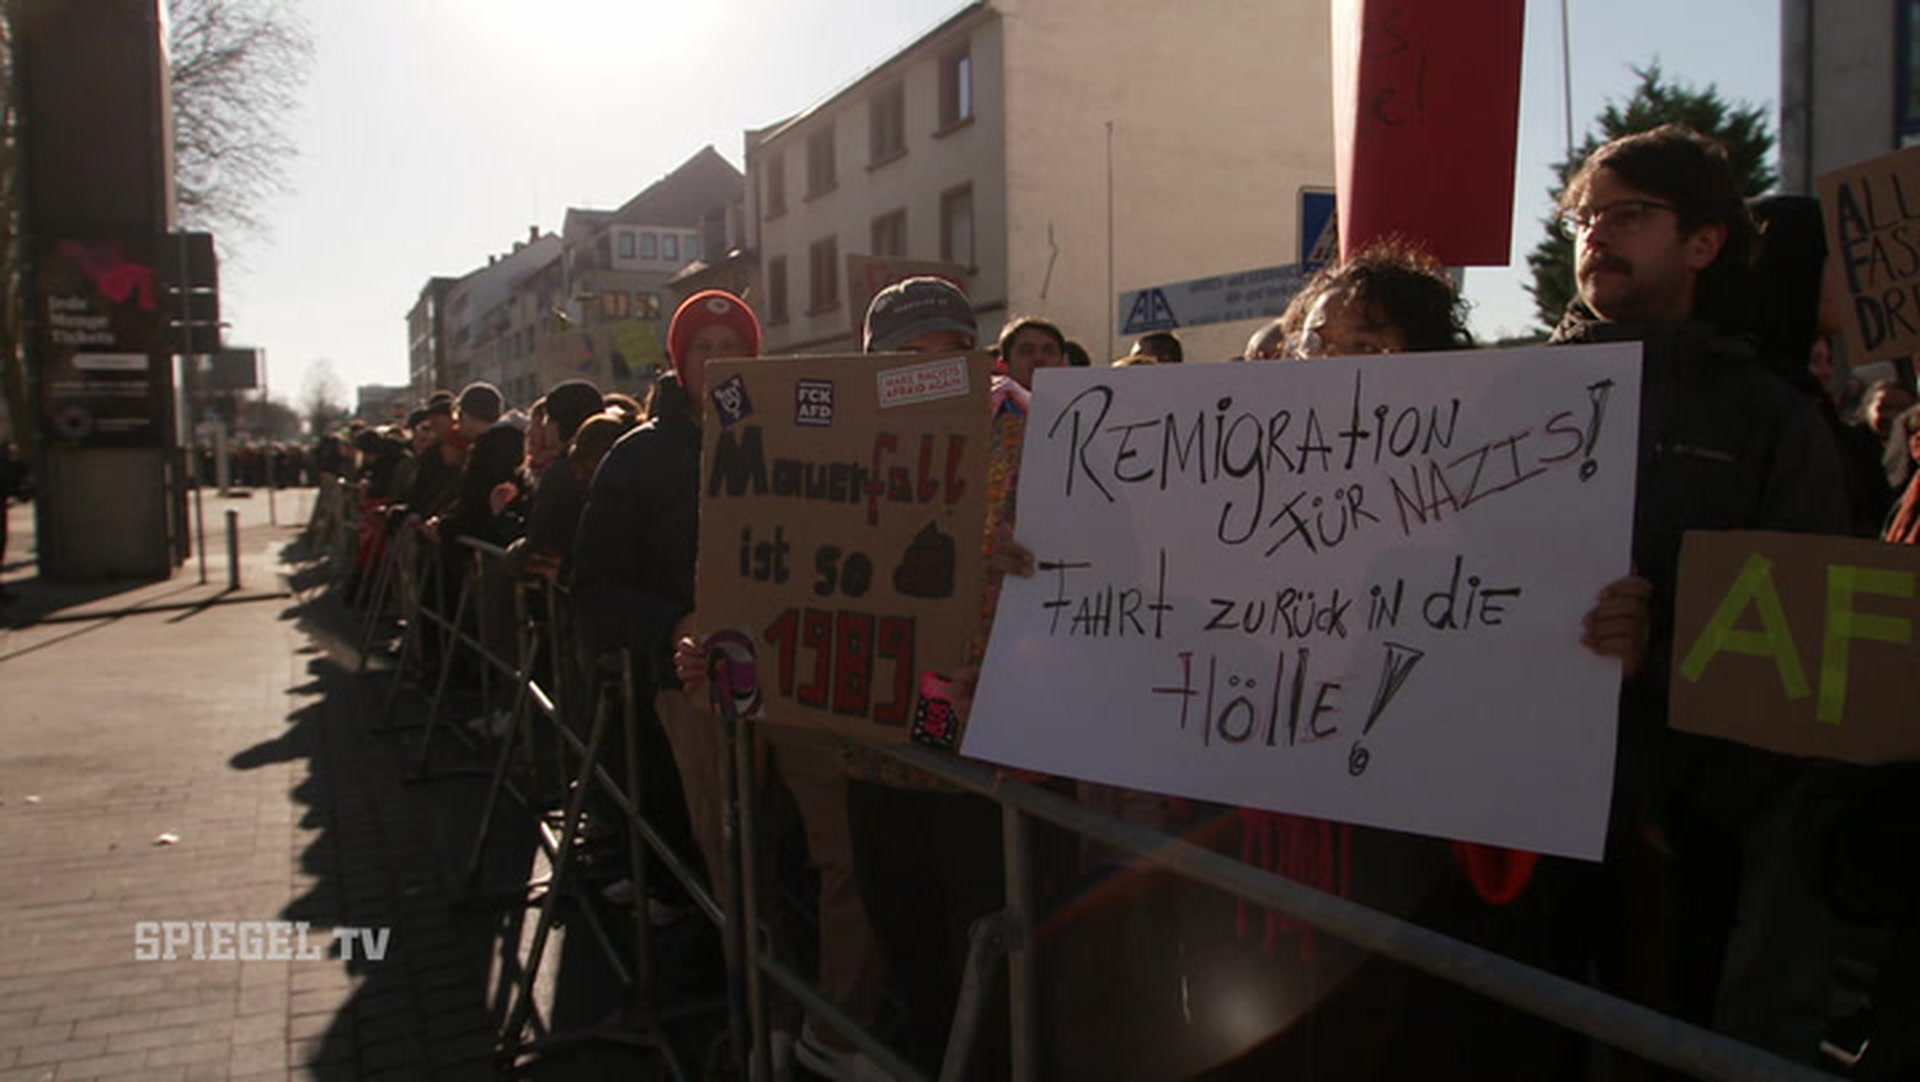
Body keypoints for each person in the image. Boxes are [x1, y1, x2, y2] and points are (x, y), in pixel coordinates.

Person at [1549, 123, 1849, 1065]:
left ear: (1704, 243)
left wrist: (1665, 649)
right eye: (1586, 217)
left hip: (1686, 837)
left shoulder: (1772, 419)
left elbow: (1809, 641)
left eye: (1630, 213)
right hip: (1518, 823)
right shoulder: (1509, 395)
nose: (1597, 234)